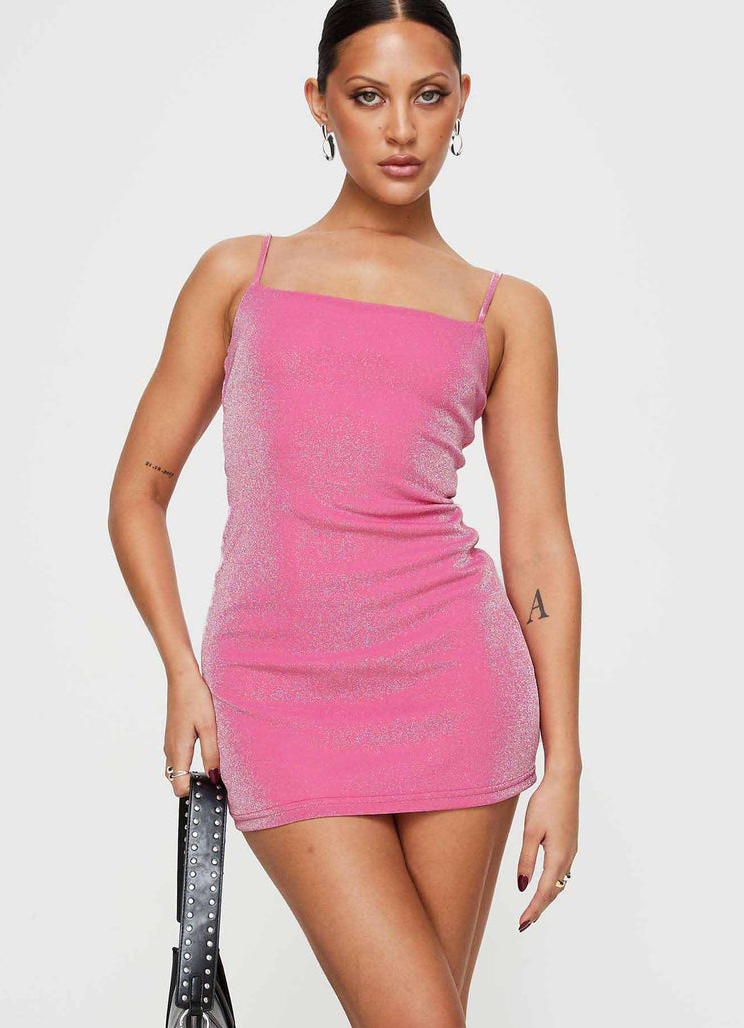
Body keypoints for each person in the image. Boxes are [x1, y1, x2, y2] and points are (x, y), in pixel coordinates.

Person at [108, 1, 582, 1023]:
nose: (401, 129)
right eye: (368, 97)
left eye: (429, 96)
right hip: (277, 693)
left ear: (462, 102)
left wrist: (566, 761)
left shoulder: (506, 308)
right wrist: (182, 670)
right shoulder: (241, 275)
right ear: (319, 103)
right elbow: (137, 492)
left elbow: (539, 543)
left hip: (458, 687)